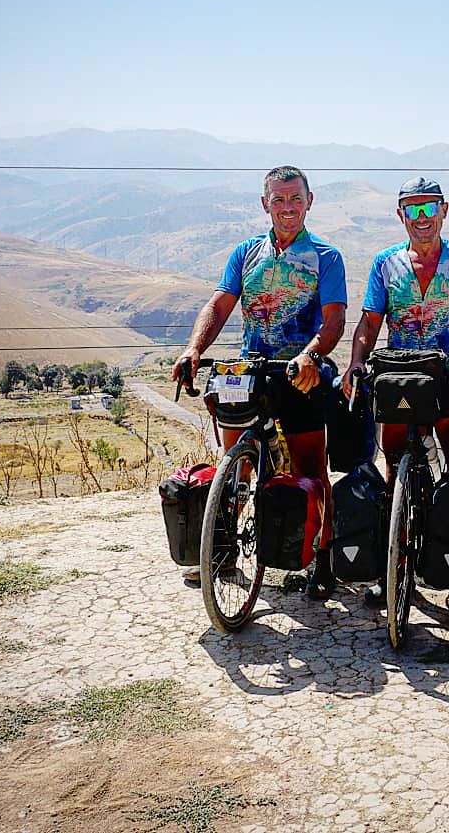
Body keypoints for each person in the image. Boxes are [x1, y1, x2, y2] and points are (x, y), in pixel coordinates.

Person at [173, 165, 346, 599]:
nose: (287, 208)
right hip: (250, 372)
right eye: (278, 200)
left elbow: (335, 318)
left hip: (300, 373)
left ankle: (322, 561)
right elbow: (219, 303)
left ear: (310, 201)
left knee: (311, 470)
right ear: (264, 204)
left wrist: (310, 354)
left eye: (295, 199)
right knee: (236, 467)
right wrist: (194, 348)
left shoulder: (325, 256)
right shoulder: (245, 253)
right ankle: (225, 551)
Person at [342, 176, 449, 610]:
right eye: (413, 208)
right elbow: (370, 323)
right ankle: (394, 564)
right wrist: (356, 361)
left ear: (445, 210)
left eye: (430, 209)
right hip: (399, 377)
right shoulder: (385, 264)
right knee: (394, 474)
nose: (422, 218)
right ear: (400, 214)